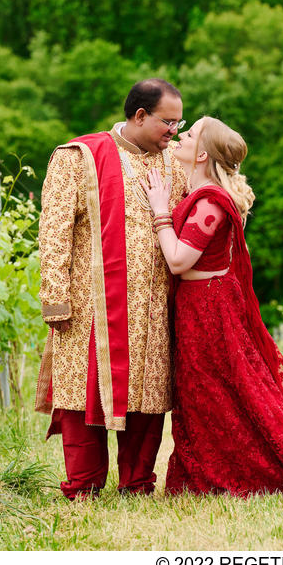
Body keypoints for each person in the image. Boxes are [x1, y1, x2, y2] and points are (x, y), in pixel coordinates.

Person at [141, 116, 283, 497]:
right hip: (199, 304)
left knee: (222, 390)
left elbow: (179, 260)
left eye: (190, 134)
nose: (181, 136)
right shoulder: (201, 194)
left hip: (208, 308)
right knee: (206, 392)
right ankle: (209, 470)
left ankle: (251, 471)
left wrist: (160, 211)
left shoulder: (211, 201)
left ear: (203, 154)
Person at [35, 79, 189, 500]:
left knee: (149, 394)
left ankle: (137, 483)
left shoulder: (176, 161)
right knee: (82, 391)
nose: (174, 132)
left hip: (157, 306)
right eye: (168, 123)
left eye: (180, 123)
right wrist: (56, 297)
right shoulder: (79, 156)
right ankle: (82, 485)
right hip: (91, 307)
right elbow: (53, 232)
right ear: (140, 116)